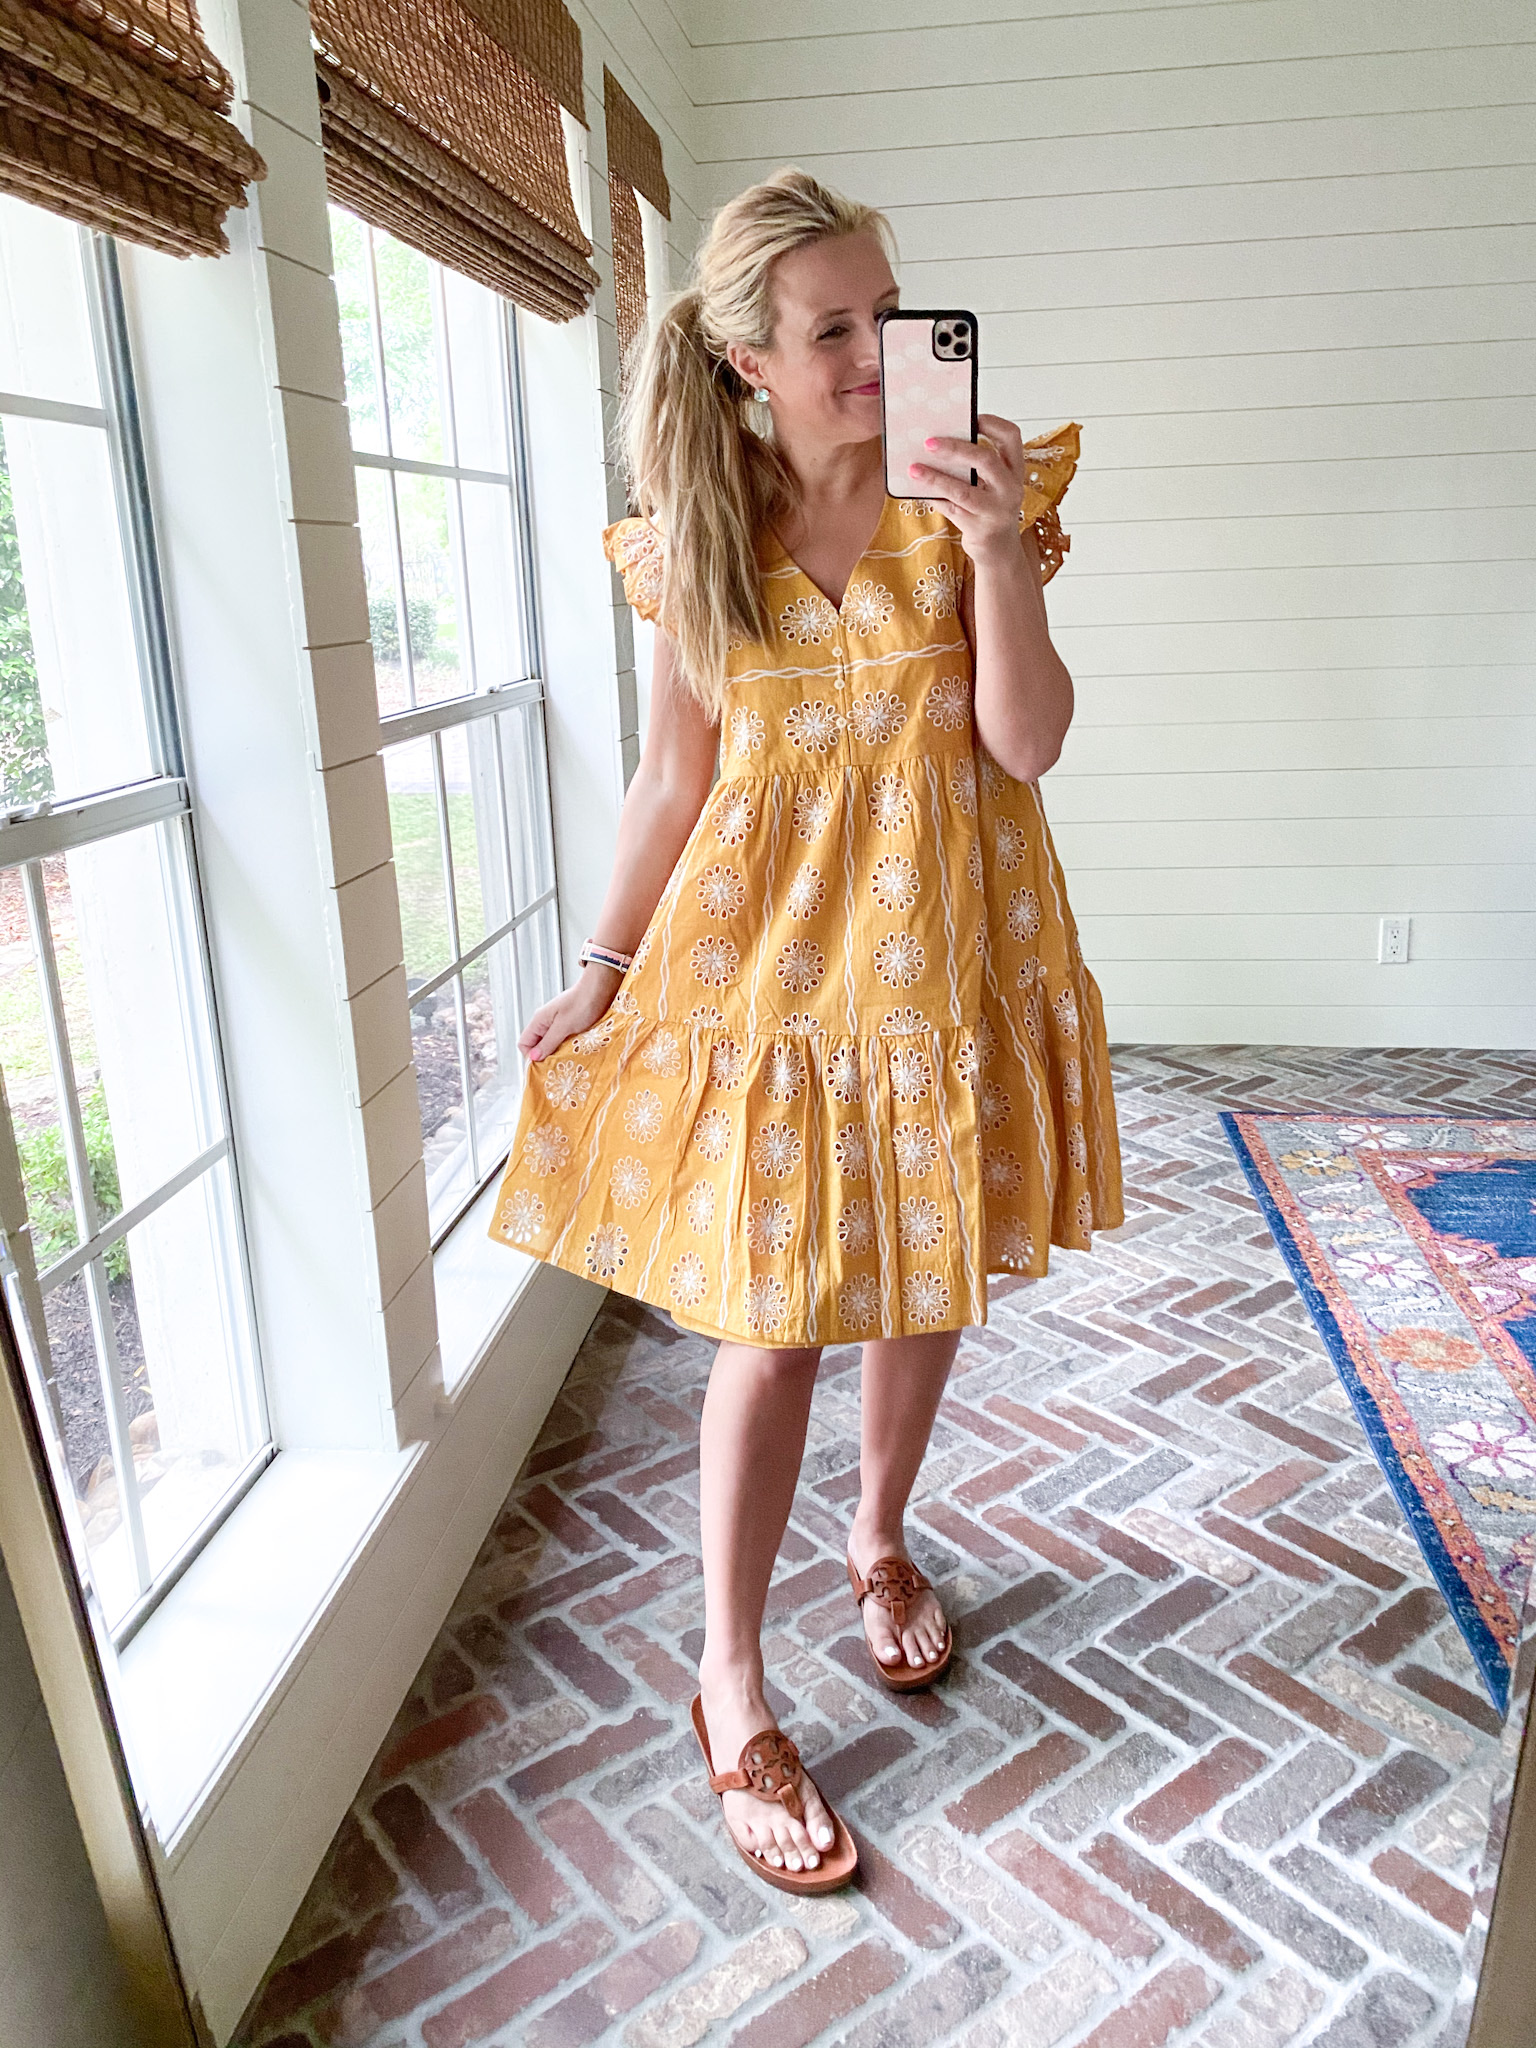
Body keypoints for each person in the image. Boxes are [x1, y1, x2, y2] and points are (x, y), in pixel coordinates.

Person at [488, 167, 1123, 1892]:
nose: (873, 350)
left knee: (926, 1275)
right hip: (772, 984)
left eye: (884, 313)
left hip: (940, 977)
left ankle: (881, 1538)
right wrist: (606, 967)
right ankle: (732, 1678)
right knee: (767, 1332)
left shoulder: (974, 505)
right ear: (752, 362)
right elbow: (672, 780)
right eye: (830, 327)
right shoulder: (699, 537)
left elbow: (1028, 743)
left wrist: (1000, 551)